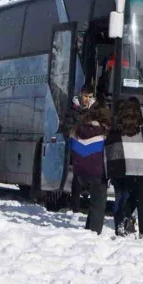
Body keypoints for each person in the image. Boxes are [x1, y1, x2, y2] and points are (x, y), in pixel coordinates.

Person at [104, 97, 143, 238]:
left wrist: (109, 171)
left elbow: (109, 150)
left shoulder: (118, 128)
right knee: (142, 204)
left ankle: (122, 222)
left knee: (126, 198)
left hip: (124, 170)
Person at [68, 106, 111, 234]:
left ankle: (88, 229)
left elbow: (70, 147)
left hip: (80, 172)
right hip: (97, 172)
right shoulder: (104, 133)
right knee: (98, 204)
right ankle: (94, 232)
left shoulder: (76, 130)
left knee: (93, 203)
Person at [65, 84, 96, 212]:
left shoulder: (95, 111)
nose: (87, 99)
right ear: (80, 94)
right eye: (85, 96)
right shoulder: (73, 110)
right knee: (77, 178)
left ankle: (91, 205)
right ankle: (75, 207)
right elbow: (67, 128)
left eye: (90, 97)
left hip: (93, 146)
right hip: (77, 146)